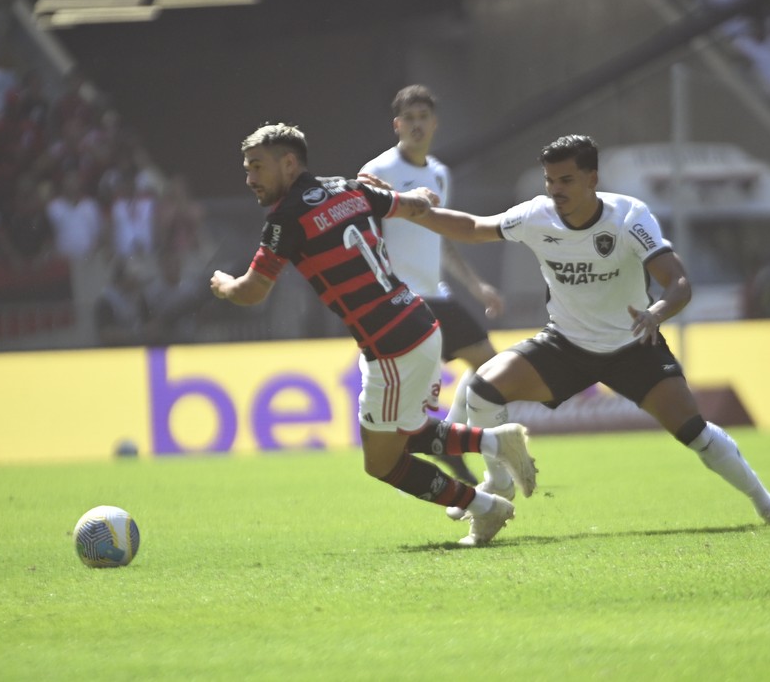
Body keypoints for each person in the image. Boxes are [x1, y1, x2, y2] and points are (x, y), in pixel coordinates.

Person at [395, 134, 770, 529]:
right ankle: (499, 483)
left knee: (694, 433)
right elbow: (472, 228)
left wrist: (656, 313)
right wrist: (410, 209)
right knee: (482, 389)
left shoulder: (628, 216)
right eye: (550, 180)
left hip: (633, 344)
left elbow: (678, 282)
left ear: (592, 178)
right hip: (566, 345)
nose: (556, 190)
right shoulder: (536, 215)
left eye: (566, 180)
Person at [209, 122, 537, 546]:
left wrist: (224, 285)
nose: (250, 178)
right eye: (247, 168)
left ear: (289, 164)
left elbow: (253, 291)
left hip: (392, 344)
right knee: (409, 432)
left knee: (382, 463)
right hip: (417, 322)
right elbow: (410, 207)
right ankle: (497, 443)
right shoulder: (348, 187)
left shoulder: (286, 218)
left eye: (257, 166)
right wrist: (422, 197)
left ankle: (485, 507)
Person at [359, 84, 504, 487]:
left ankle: (450, 438)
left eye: (423, 117)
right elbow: (363, 234)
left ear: (435, 123)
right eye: (409, 119)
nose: (417, 125)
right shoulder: (377, 171)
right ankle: (446, 451)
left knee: (491, 367)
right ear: (397, 125)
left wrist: (476, 286)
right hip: (400, 299)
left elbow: (441, 237)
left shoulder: (440, 173)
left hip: (436, 294)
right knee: (410, 403)